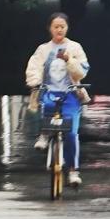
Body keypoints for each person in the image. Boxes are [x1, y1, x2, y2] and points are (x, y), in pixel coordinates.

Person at [25, 13, 89, 188]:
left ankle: (73, 171)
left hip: (70, 94)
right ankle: (44, 134)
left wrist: (69, 60)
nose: (59, 29)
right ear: (50, 29)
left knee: (71, 133)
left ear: (67, 28)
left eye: (62, 26)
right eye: (56, 26)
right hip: (49, 92)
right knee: (44, 108)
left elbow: (81, 72)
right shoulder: (43, 49)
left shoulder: (75, 48)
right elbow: (34, 68)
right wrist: (35, 83)